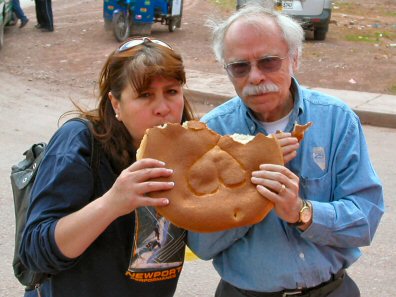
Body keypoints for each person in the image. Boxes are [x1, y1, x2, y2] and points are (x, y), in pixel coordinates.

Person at [187, 2, 384, 297]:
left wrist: (300, 211)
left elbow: (365, 220)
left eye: (268, 62)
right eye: (240, 67)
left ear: (295, 58)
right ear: (227, 71)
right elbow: (200, 243)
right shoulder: (212, 132)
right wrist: (248, 184)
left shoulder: (335, 119)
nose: (255, 77)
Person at [19, 37, 195, 297]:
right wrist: (112, 203)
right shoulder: (80, 143)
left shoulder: (188, 145)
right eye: (145, 95)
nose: (163, 108)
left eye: (171, 91)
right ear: (116, 104)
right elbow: (34, 252)